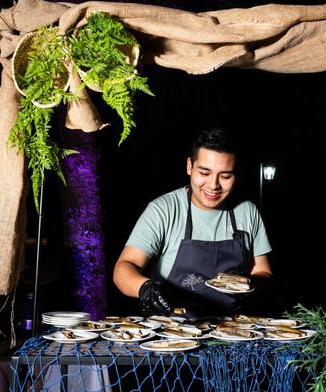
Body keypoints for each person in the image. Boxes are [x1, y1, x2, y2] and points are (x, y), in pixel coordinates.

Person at [113, 127, 274, 318]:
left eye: (225, 176)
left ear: (236, 175)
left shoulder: (247, 211)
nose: (213, 185)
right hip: (173, 330)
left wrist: (248, 283)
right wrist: (145, 288)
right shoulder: (163, 209)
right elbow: (124, 266)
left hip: (232, 329)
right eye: (204, 172)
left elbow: (264, 273)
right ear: (189, 166)